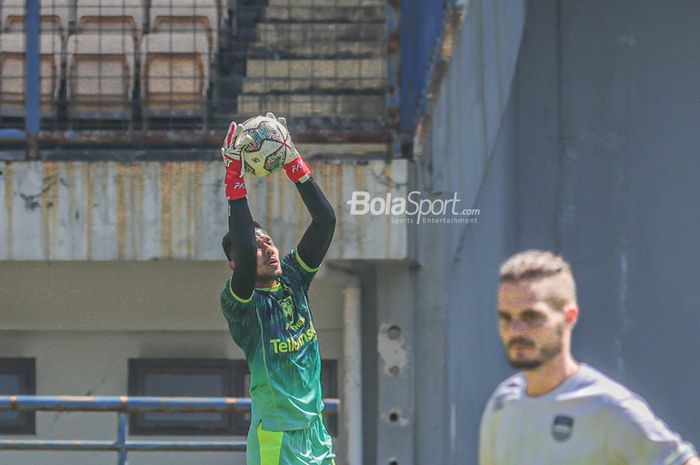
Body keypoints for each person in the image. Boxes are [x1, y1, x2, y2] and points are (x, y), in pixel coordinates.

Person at [479, 249, 699, 465]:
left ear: (569, 316)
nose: (516, 330)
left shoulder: (608, 406)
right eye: (505, 317)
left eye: (532, 316)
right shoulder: (501, 404)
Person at [219, 113, 337, 465]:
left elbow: (325, 221)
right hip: (277, 437)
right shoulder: (242, 302)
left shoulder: (293, 278)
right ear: (235, 264)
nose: (267, 248)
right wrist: (234, 176)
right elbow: (241, 241)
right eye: (257, 247)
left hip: (315, 432)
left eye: (268, 241)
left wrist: (292, 161)